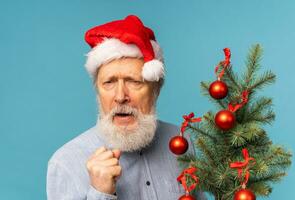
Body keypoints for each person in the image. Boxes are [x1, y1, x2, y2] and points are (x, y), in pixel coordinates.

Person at [47, 15, 206, 200]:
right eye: (109, 82)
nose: (121, 97)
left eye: (134, 81)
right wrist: (100, 193)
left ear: (156, 89)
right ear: (97, 90)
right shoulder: (65, 163)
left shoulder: (182, 141)